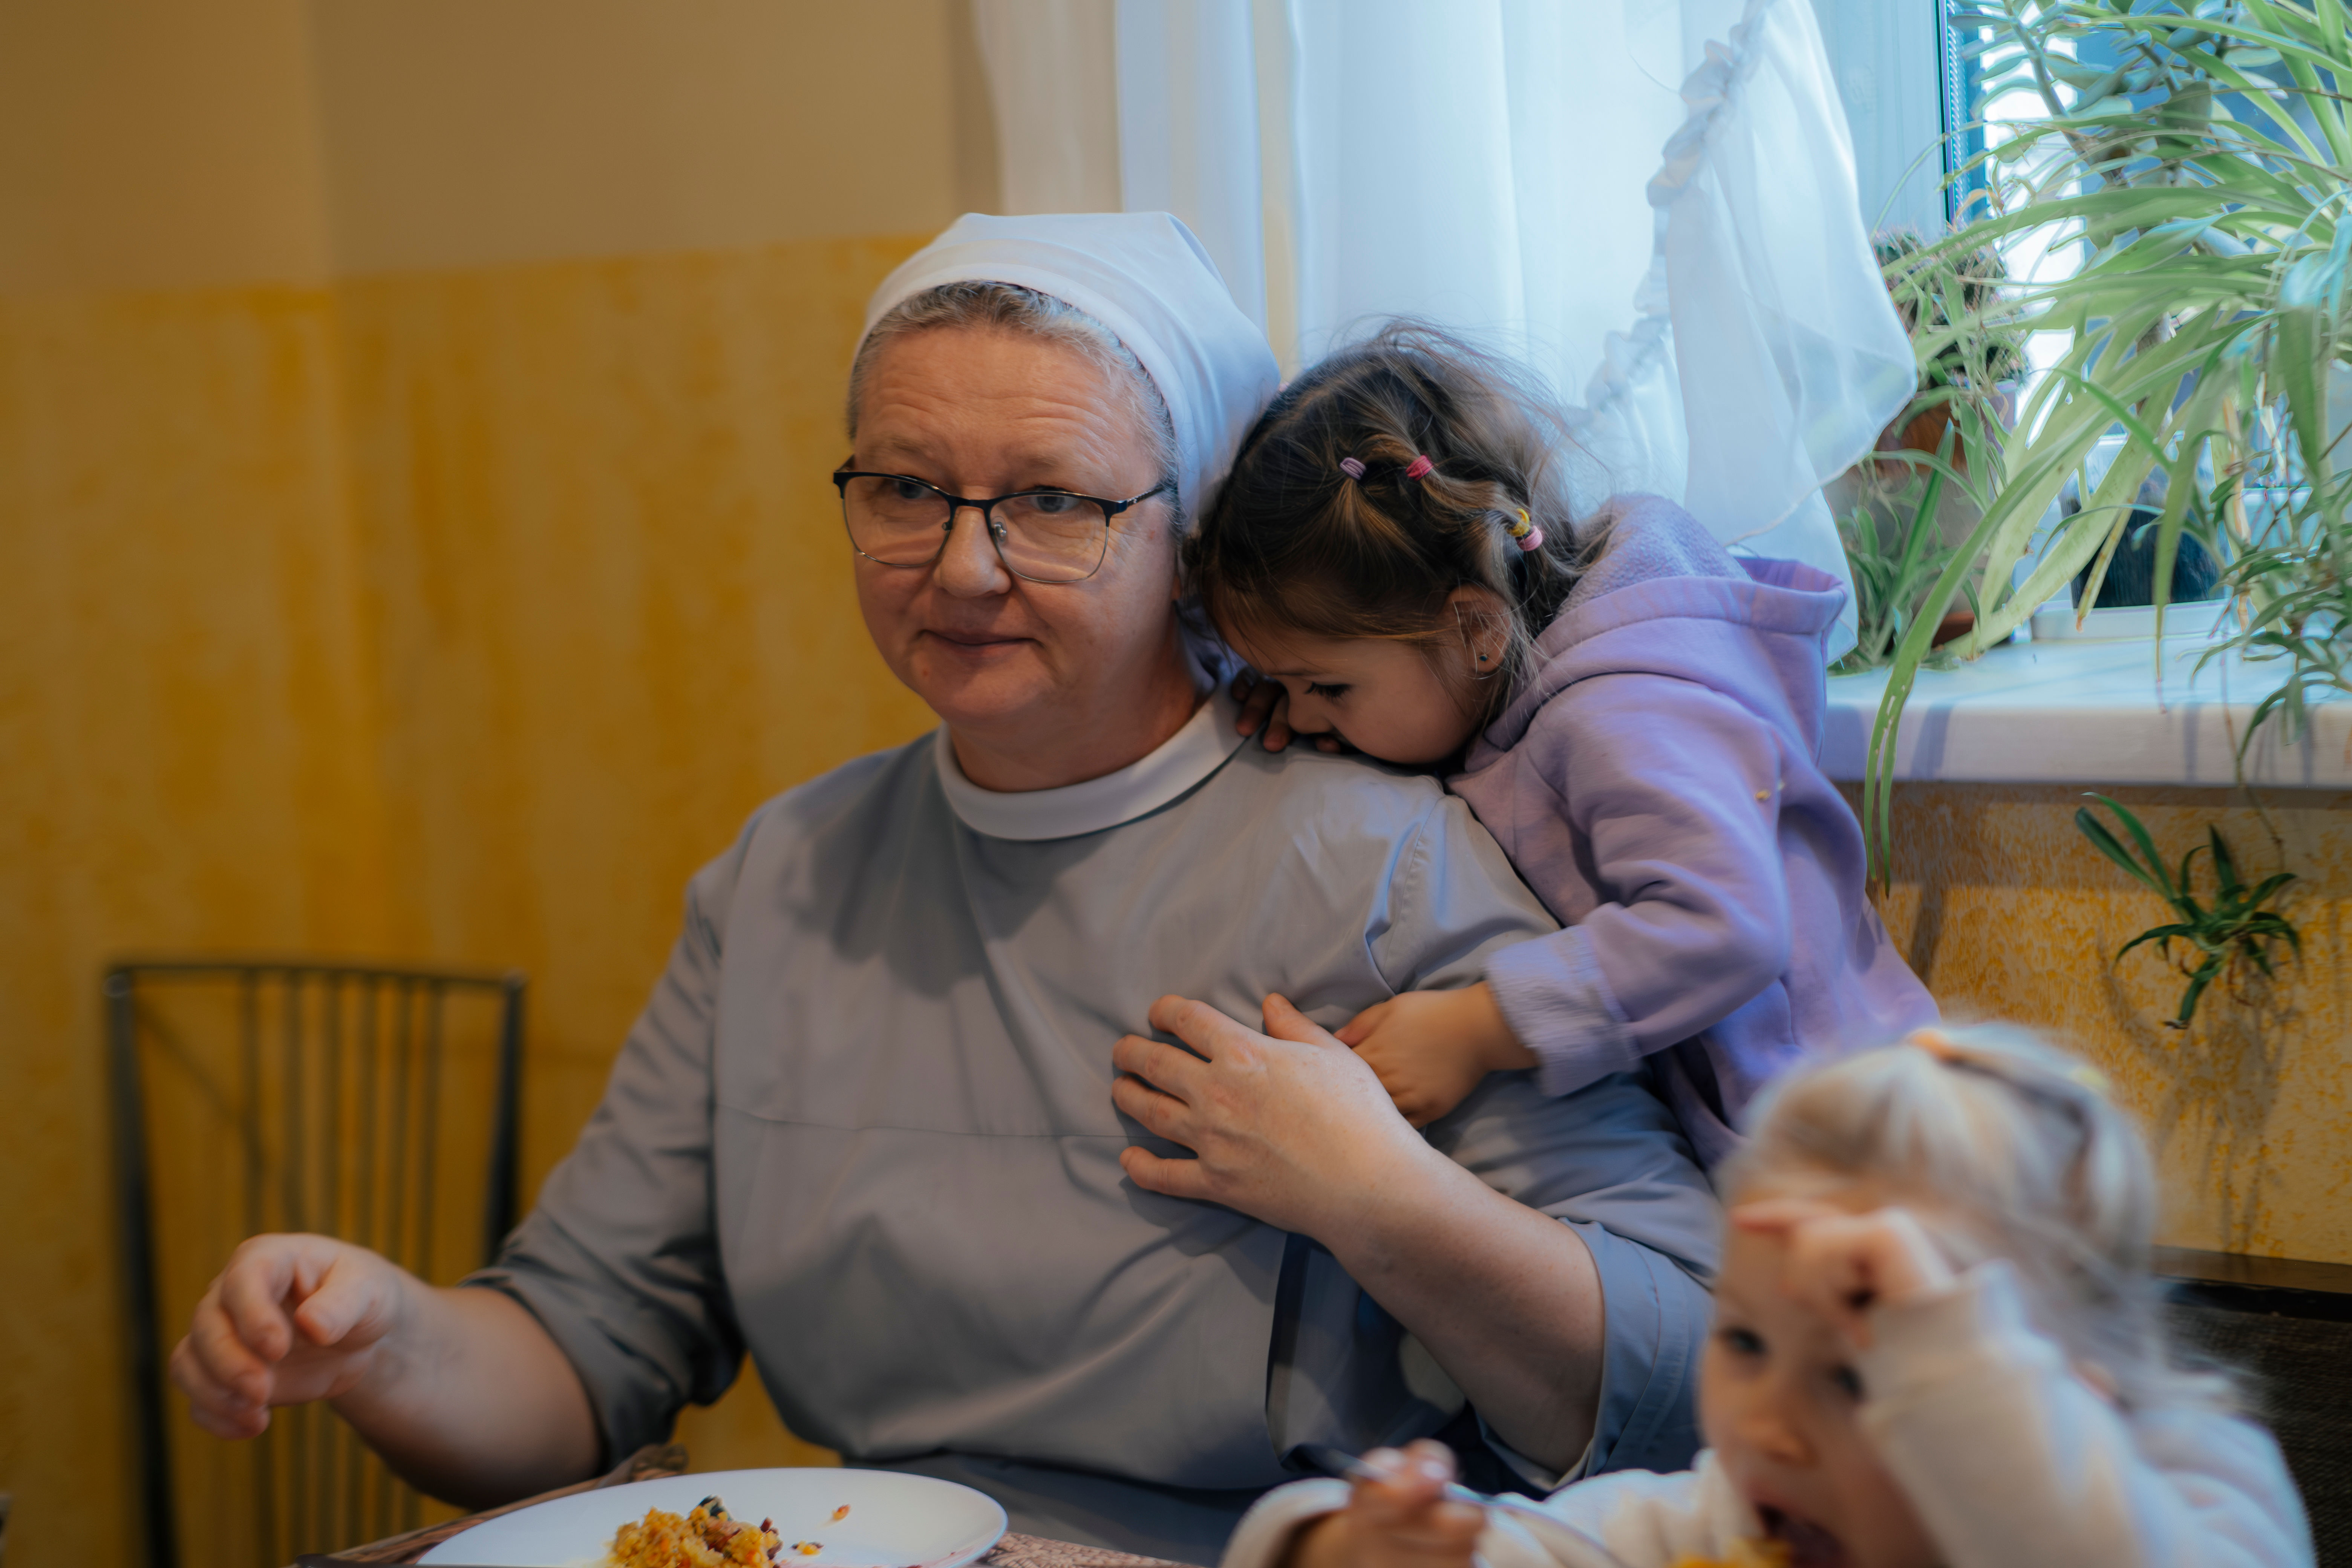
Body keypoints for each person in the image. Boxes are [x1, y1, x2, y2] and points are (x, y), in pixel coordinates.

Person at [168, 215, 1722, 1566]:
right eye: (904, 487)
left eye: (1055, 502)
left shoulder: (1382, 863)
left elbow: (1682, 1380)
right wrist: (385, 1339)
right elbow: (580, 1356)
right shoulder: (787, 880)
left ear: (1189, 535)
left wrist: (1385, 1201)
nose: (963, 567)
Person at [1185, 325, 1935, 1163]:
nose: (1303, 716)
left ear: (1478, 631)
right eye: (1285, 682)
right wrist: (1294, 689)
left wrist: (1479, 1027)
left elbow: (1729, 924)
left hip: (1849, 1142)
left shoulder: (1621, 715)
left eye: (1327, 688)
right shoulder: (1513, 664)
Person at [1219, 1024, 2316, 1568]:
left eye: (1860, 1376)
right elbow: (1527, 1547)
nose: (1770, 1428)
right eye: (1746, 1343)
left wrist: (1948, 1350)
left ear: (2075, 1385)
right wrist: (1348, 1544)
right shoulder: (1728, 1524)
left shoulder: (2195, 1492)